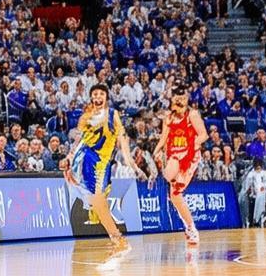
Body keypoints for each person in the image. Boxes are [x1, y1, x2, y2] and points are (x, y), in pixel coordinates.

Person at [65, 84, 145, 263]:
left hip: (101, 163)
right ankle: (118, 241)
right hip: (85, 160)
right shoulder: (85, 117)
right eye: (95, 94)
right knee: (97, 203)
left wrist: (130, 161)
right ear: (91, 98)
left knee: (99, 202)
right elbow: (80, 140)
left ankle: (118, 240)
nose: (98, 96)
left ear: (106, 98)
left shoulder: (112, 114)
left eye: (101, 93)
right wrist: (70, 157)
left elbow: (122, 138)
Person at [155, 87, 207, 244]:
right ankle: (190, 226)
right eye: (176, 97)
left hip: (189, 156)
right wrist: (156, 151)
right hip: (174, 154)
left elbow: (203, 135)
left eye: (182, 97)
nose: (179, 100)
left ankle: (191, 228)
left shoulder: (192, 114)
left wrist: (190, 147)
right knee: (174, 196)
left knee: (176, 192)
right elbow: (164, 138)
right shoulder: (168, 118)